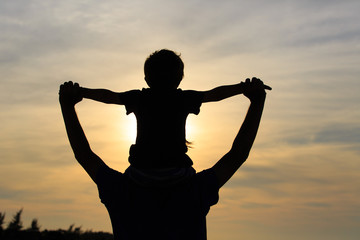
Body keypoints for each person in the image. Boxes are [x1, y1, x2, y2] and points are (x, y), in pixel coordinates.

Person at [59, 76, 270, 240]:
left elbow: (84, 154)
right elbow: (237, 154)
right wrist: (256, 100)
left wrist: (68, 104)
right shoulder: (195, 191)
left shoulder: (121, 191)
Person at [77, 49, 271, 169]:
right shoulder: (182, 98)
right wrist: (242, 88)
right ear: (179, 78)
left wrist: (81, 92)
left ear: (147, 78)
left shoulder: (140, 97)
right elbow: (214, 94)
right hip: (177, 170)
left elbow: (108, 96)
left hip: (142, 169)